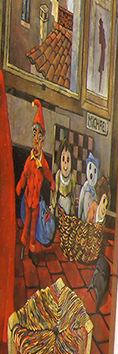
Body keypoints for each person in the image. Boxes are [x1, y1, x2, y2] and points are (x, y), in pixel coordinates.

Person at [15, 100, 53, 257]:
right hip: (27, 199)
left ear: (43, 140)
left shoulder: (42, 163)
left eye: (39, 136)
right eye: (34, 135)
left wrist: (52, 183)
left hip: (36, 202)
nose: (36, 141)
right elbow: (24, 174)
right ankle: (24, 244)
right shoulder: (29, 160)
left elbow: (48, 174)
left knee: (33, 225)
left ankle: (31, 246)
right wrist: (20, 185)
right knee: (26, 224)